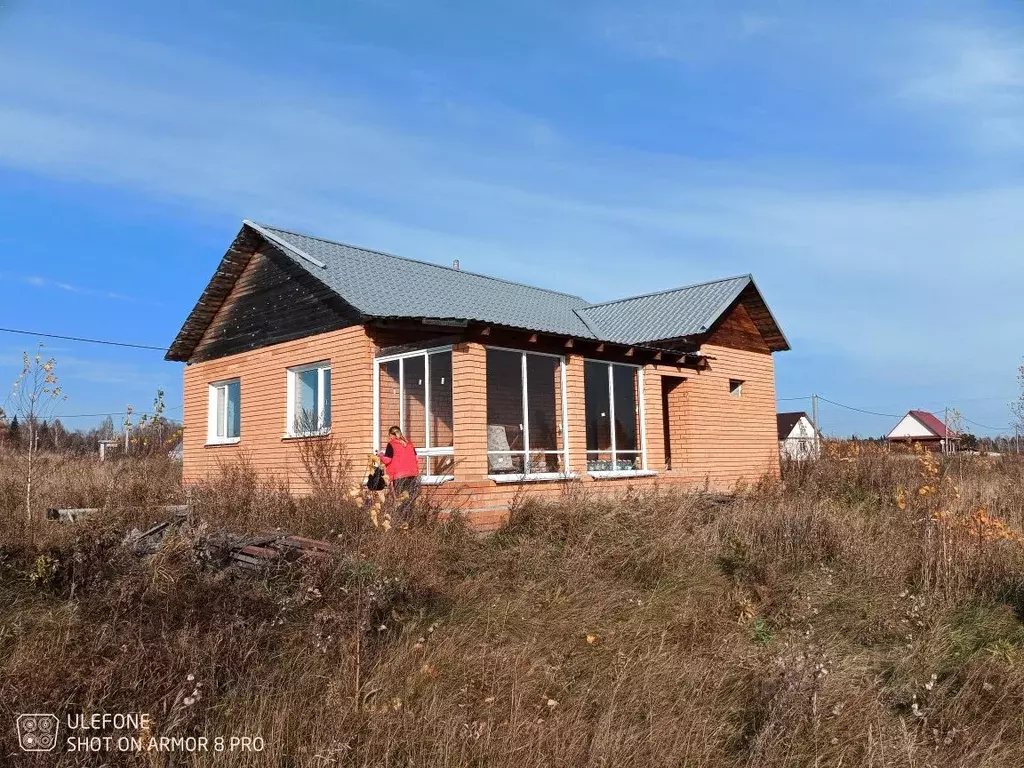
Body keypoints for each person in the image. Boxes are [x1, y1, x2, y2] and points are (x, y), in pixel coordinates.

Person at [377, 426, 420, 526]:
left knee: (400, 502)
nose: (389, 438)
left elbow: (388, 460)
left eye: (389, 436)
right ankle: (410, 524)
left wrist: (380, 456)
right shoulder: (409, 444)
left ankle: (402, 525)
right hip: (412, 476)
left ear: (392, 435)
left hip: (399, 477)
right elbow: (416, 458)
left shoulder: (391, 444)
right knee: (409, 502)